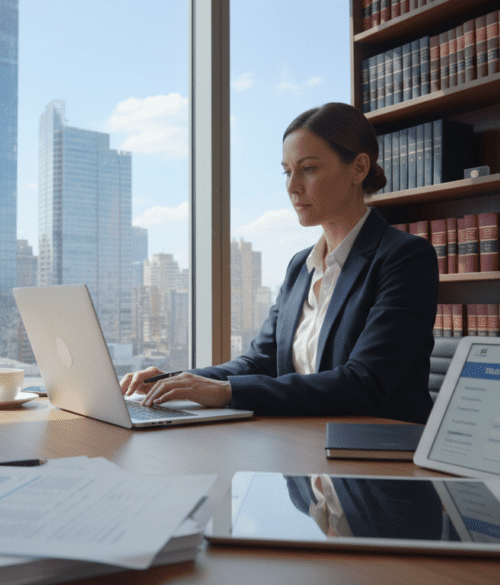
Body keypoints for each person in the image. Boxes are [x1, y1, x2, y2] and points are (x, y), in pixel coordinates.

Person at [121, 102, 438, 424]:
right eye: (287, 172)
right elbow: (260, 362)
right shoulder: (301, 265)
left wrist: (227, 392)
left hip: (379, 451)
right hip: (302, 439)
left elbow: (364, 382)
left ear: (358, 168)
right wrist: (179, 380)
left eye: (308, 169)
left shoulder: (405, 258)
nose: (292, 187)